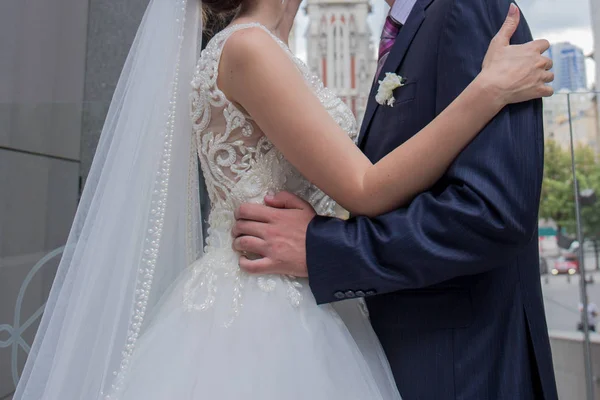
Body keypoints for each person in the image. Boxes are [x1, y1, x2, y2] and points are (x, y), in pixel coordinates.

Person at [13, 0, 553, 398]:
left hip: (306, 294)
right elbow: (366, 188)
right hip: (259, 312)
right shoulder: (248, 49)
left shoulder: (270, 51)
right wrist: (486, 91)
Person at [232, 0, 560, 399]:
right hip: (367, 350)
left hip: (461, 369)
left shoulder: (467, 7)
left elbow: (491, 213)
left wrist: (322, 248)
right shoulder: (259, 47)